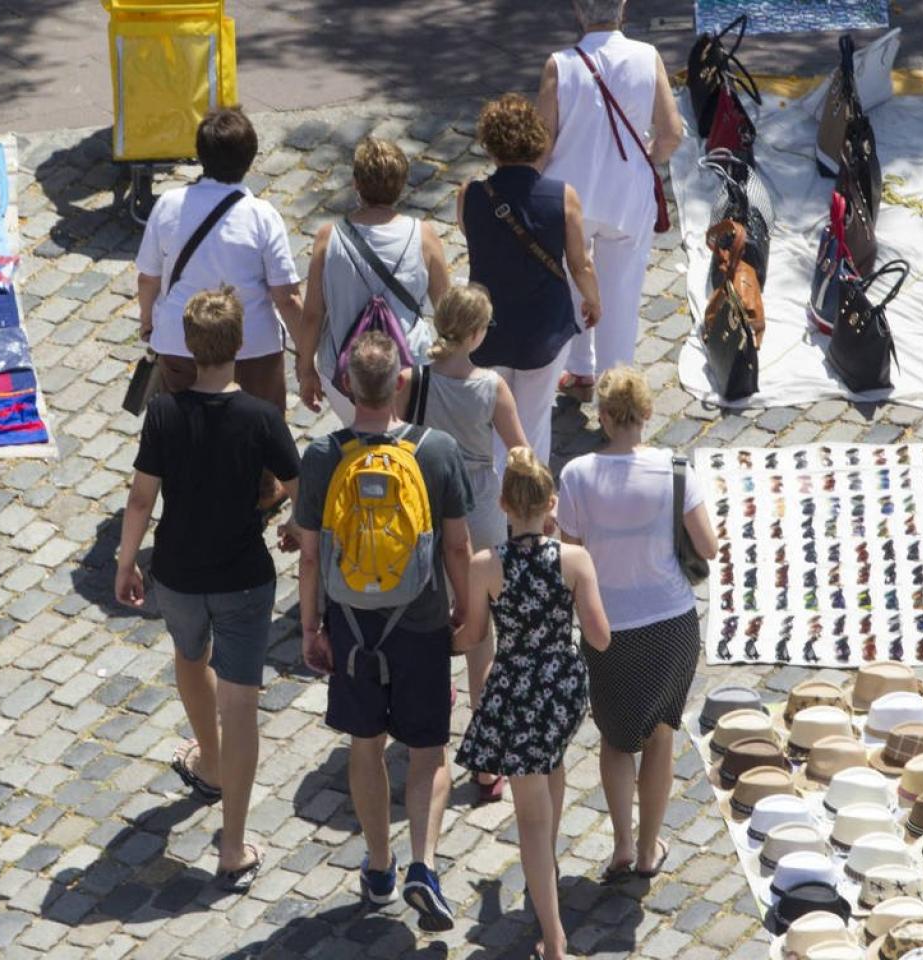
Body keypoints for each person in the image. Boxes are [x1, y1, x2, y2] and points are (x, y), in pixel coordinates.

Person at [115, 287, 302, 893]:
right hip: (244, 577)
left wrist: (125, 561)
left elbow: (142, 497)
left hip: (177, 575)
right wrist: (299, 530)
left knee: (189, 658)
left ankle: (211, 762)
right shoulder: (261, 419)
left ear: (189, 346)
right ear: (239, 346)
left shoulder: (164, 413)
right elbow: (304, 494)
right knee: (242, 703)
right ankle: (232, 844)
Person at [294, 330, 473, 931]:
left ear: (347, 386)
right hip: (419, 620)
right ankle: (423, 863)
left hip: (350, 624)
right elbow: (456, 543)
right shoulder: (438, 450)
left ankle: (378, 868)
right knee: (429, 750)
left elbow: (312, 556)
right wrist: (466, 611)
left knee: (364, 746)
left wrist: (309, 626)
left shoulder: (324, 457)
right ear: (401, 381)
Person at [555, 365, 716, 881]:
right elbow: (709, 547)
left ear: (602, 416)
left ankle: (622, 844)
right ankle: (649, 851)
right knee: (662, 733)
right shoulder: (675, 471)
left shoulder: (577, 475)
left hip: (609, 625)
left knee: (616, 738)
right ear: (647, 413)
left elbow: (572, 553)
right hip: (670, 623)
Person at [454, 447, 610, 960]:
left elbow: (474, 635)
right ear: (551, 505)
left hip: (516, 693)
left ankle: (554, 936)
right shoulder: (574, 559)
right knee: (553, 764)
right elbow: (600, 638)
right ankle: (547, 870)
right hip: (562, 689)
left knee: (530, 822)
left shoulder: (484, 566)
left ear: (502, 504)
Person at [403, 284, 529, 804]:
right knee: (481, 637)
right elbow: (519, 449)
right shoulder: (492, 387)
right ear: (476, 333)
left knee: (429, 616)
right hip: (478, 507)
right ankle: (485, 759)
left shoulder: (413, 380)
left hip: (426, 500)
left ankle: (425, 734)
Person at [537, 0, 684, 403]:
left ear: (577, 10)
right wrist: (646, 156)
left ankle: (579, 367)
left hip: (568, 198)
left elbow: (541, 143)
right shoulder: (647, 57)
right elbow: (671, 134)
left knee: (571, 281)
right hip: (626, 196)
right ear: (622, 7)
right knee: (621, 294)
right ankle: (616, 395)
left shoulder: (559, 65)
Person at [458, 94, 602, 469]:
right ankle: (528, 504)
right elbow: (580, 264)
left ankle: (495, 501)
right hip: (543, 328)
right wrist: (593, 301)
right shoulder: (563, 196)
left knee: (493, 420)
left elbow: (473, 238)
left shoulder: (470, 194)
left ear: (490, 146)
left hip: (488, 328)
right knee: (533, 423)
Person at [134, 107, 303, 411]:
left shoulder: (169, 206)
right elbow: (287, 298)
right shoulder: (263, 216)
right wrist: (306, 352)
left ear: (200, 155)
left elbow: (148, 279)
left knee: (185, 440)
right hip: (253, 349)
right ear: (250, 158)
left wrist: (148, 322)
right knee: (259, 442)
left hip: (180, 342)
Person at [295, 136, 451, 421]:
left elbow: (313, 315)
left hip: (344, 373)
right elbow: (446, 309)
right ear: (402, 184)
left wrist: (306, 370)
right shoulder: (424, 236)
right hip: (407, 370)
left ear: (356, 183)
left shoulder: (328, 238)